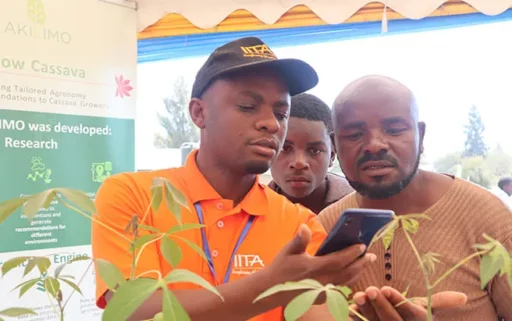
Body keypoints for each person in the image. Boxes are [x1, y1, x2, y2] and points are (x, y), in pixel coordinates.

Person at [90, 37, 376, 321]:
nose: (272, 123)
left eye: (281, 113)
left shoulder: (299, 226)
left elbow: (316, 314)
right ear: (199, 112)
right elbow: (130, 309)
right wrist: (271, 285)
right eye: (248, 107)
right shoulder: (133, 195)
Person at [316, 75, 512, 320]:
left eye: (394, 130)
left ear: (421, 136)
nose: (374, 145)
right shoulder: (324, 228)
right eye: (354, 135)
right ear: (334, 145)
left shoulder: (494, 223)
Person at [269, 93, 353, 213]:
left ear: (332, 154)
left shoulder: (360, 207)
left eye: (314, 151)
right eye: (285, 148)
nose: (299, 163)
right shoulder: (249, 208)